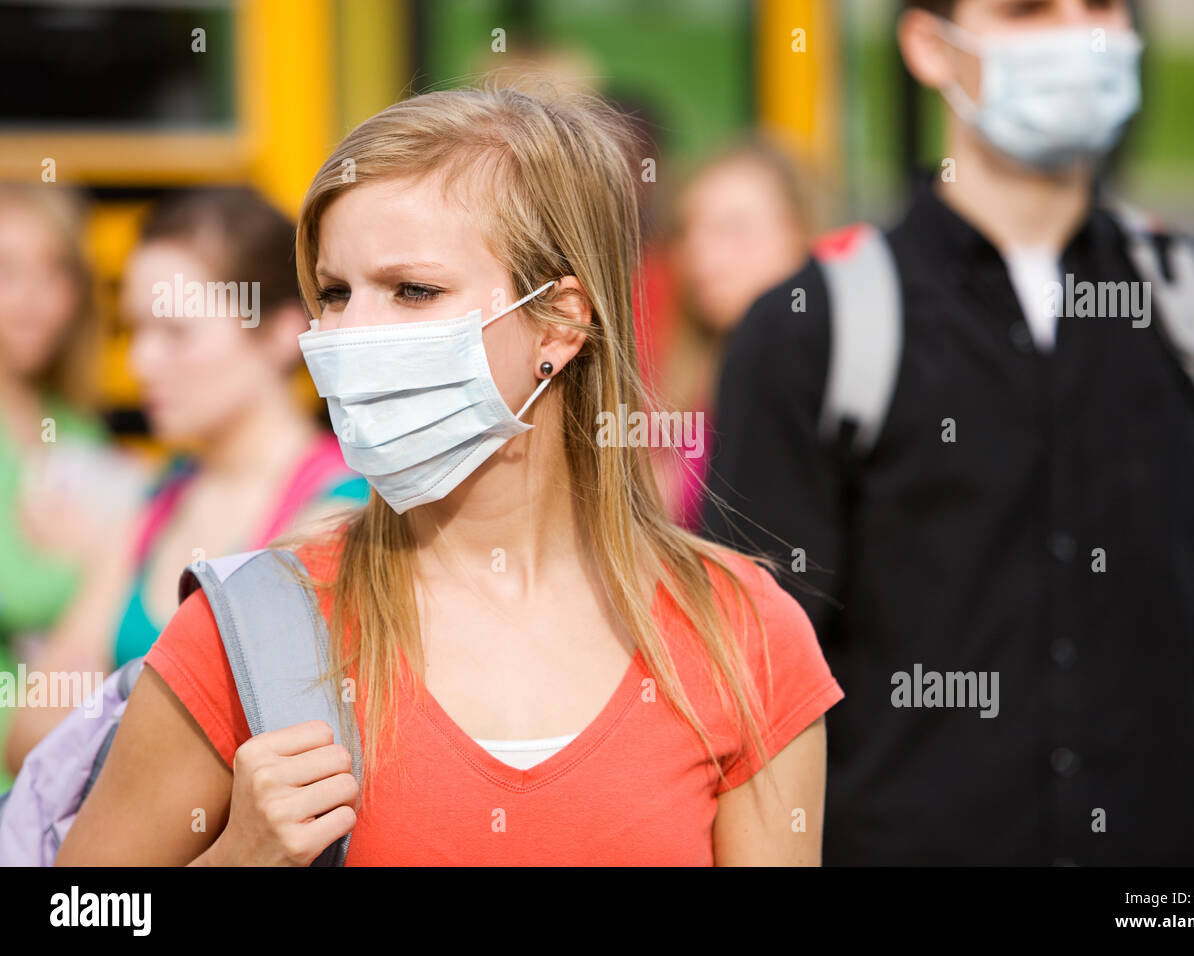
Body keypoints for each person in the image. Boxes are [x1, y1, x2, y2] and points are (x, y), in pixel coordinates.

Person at [55, 83, 844, 866]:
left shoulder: (743, 634)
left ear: (562, 320)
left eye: (413, 291)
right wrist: (236, 860)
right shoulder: (250, 631)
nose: (351, 333)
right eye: (334, 292)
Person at [701, 0, 1194, 865]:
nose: (1074, 36)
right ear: (927, 44)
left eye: (1099, 7)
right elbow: (748, 683)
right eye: (1026, 11)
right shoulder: (809, 329)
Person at [5, 188, 369, 775]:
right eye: (134, 330)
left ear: (280, 331)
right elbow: (31, 731)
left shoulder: (341, 510)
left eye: (175, 333)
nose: (141, 362)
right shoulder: (159, 497)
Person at [0, 184, 142, 791]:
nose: (35, 299)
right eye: (7, 271)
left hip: (59, 781)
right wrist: (110, 548)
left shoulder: (75, 428)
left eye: (56, 272)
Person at [652, 139, 813, 529]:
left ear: (798, 234)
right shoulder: (696, 372)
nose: (704, 255)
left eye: (733, 229)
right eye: (690, 232)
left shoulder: (817, 378)